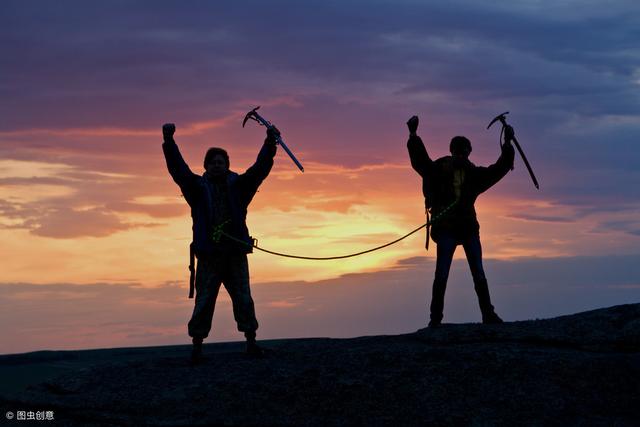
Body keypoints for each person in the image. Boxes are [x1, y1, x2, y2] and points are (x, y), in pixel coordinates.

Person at [162, 122, 278, 362]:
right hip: (209, 256)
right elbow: (178, 169)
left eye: (220, 162)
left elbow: (260, 170)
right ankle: (197, 346)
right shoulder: (195, 188)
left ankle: (251, 342)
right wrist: (169, 141)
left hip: (235, 253)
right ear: (206, 166)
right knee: (204, 301)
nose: (217, 165)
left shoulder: (240, 187)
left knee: (243, 298)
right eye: (213, 162)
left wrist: (270, 143)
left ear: (227, 165)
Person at [406, 115, 515, 327]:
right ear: (466, 151)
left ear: (451, 149)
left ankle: (436, 320)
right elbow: (498, 169)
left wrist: (413, 135)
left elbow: (421, 162)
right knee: (477, 273)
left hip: (454, 229)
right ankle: (487, 315)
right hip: (464, 229)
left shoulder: (440, 169)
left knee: (443, 274)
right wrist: (508, 144)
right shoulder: (471, 173)